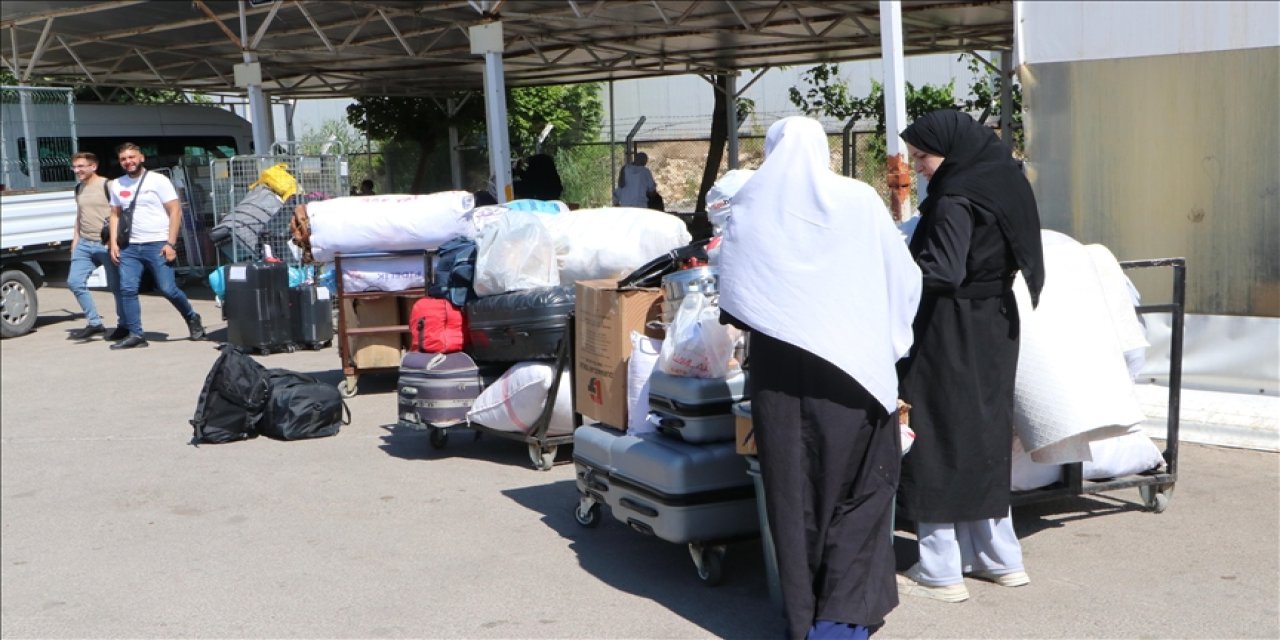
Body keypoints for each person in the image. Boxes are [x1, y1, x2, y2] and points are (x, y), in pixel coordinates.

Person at [718, 116, 922, 640]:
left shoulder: (751, 205)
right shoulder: (856, 200)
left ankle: (804, 617)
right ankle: (842, 619)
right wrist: (885, 338)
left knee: (793, 493)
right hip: (854, 373)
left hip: (780, 378)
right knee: (861, 490)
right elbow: (902, 277)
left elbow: (737, 297)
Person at [894, 109, 1046, 602]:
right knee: (984, 430)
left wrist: (895, 270)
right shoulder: (1004, 180)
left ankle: (940, 568)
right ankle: (1000, 558)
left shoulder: (955, 197)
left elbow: (942, 270)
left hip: (950, 326)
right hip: (995, 322)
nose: (917, 166)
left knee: (936, 429)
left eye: (923, 156)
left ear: (951, 151)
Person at [107, 142, 206, 350]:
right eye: (124, 159)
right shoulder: (117, 184)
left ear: (141, 157)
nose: (128, 162)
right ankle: (136, 334)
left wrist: (171, 243)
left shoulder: (158, 181)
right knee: (127, 289)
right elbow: (115, 214)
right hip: (129, 246)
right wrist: (114, 243)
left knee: (168, 289)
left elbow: (175, 211)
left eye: (132, 157)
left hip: (157, 243)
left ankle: (192, 317)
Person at [66, 152, 125, 341]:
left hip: (106, 244)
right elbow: (80, 215)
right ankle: (94, 322)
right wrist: (75, 241)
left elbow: (121, 214)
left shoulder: (108, 185)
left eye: (81, 166)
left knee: (117, 287)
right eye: (75, 167)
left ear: (94, 166)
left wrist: (114, 241)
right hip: (84, 243)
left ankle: (124, 325)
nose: (77, 171)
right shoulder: (79, 188)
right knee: (75, 282)